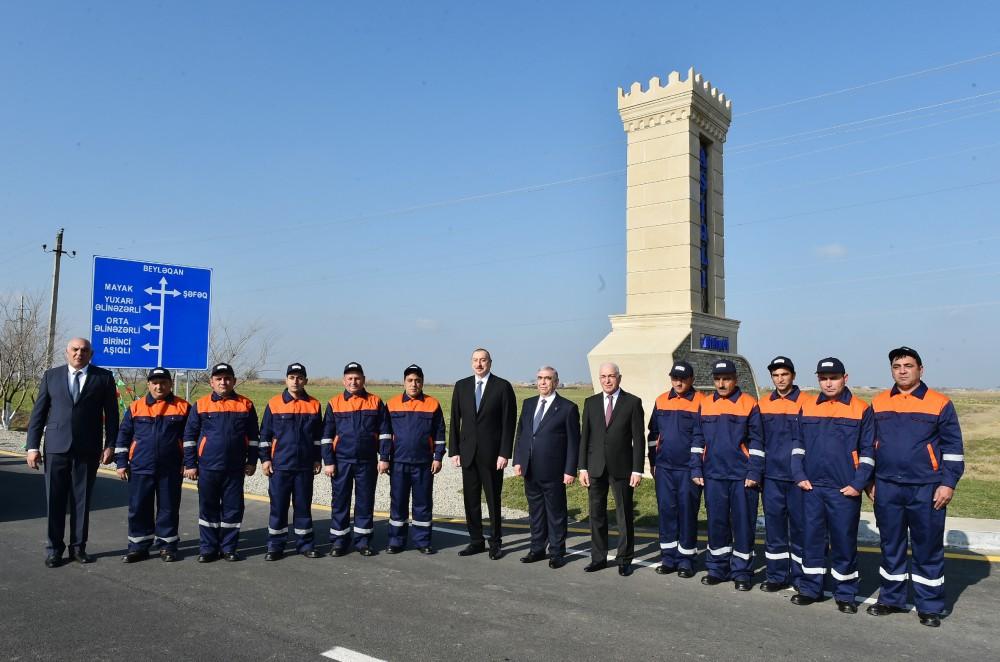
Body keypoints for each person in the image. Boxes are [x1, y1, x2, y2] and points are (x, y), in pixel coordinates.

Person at [866, 347, 964, 628]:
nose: (902, 370)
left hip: (926, 488)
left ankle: (929, 606)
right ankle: (891, 599)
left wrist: (948, 483)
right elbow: (869, 445)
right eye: (897, 366)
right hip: (887, 487)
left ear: (921, 369)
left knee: (927, 547)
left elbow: (953, 449)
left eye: (908, 365)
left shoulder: (939, 403)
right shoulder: (879, 402)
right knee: (891, 545)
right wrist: (870, 481)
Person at [790, 357, 874, 614]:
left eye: (834, 378)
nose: (828, 383)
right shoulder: (807, 406)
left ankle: (845, 593)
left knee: (843, 541)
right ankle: (810, 589)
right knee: (811, 539)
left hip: (843, 489)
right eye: (823, 378)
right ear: (818, 379)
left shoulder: (861, 408)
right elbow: (798, 445)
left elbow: (869, 451)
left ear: (845, 378)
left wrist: (858, 483)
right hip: (812, 487)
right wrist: (798, 474)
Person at [26, 337, 119, 567]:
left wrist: (110, 445)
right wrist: (32, 446)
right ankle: (54, 549)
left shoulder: (104, 378)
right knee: (54, 500)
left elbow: (113, 416)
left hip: (87, 448)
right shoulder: (51, 376)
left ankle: (78, 548)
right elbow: (38, 414)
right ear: (67, 352)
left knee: (82, 500)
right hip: (56, 447)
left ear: (91, 354)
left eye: (84, 350)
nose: (79, 353)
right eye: (75, 350)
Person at [690, 359, 764, 591]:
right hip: (713, 475)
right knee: (717, 524)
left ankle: (741, 572)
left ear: (735, 380)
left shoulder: (748, 404)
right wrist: (695, 467)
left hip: (742, 477)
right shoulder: (705, 404)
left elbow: (757, 442)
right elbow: (697, 439)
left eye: (726, 379)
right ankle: (717, 569)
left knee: (743, 525)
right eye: (718, 379)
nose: (722, 384)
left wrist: (754, 471)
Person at [183, 363, 259, 563]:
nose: (223, 382)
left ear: (233, 381)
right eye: (219, 379)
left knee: (233, 509)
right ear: (212, 382)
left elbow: (253, 438)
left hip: (235, 468)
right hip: (207, 467)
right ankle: (208, 548)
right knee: (208, 508)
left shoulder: (246, 404)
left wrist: (252, 461)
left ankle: (228, 548)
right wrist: (190, 464)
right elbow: (189, 437)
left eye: (227, 378)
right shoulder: (200, 405)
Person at [115, 367, 190, 563]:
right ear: (148, 384)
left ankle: (167, 546)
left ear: (170, 384)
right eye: (155, 382)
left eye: (163, 382)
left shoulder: (183, 407)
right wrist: (122, 463)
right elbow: (123, 437)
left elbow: (190, 439)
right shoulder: (135, 407)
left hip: (171, 468)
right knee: (139, 508)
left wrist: (187, 462)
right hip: (140, 466)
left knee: (168, 508)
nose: (159, 386)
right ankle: (138, 547)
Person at [449, 348, 517, 560]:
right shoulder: (461, 386)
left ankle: (495, 542)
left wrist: (505, 453)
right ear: (471, 363)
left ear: (490, 362)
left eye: (483, 360)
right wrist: (454, 451)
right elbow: (454, 420)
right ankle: (476, 541)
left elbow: (509, 422)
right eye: (476, 360)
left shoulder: (502, 387)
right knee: (471, 500)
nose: (479, 364)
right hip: (468, 453)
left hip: (492, 456)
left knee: (493, 500)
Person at [579, 362, 645, 577]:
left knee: (624, 515)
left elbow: (638, 439)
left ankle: (625, 559)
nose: (607, 380)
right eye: (603, 377)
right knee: (596, 514)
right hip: (595, 467)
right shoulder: (590, 403)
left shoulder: (633, 403)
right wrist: (582, 467)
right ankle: (598, 558)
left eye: (611, 376)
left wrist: (637, 469)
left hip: (622, 468)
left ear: (619, 377)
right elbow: (585, 438)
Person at [512, 366, 580, 569]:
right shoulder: (528, 404)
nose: (543, 382)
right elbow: (522, 434)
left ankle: (557, 552)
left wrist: (570, 470)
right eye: (540, 378)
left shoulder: (567, 408)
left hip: (555, 471)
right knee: (535, 512)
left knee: (556, 513)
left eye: (548, 378)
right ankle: (537, 548)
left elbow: (574, 442)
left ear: (556, 382)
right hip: (530, 469)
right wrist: (518, 460)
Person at [321, 362, 391, 556]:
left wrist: (384, 457)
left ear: (364, 380)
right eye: (350, 378)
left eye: (357, 378)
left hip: (367, 461)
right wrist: (328, 461)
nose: (354, 381)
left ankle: (363, 541)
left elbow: (385, 432)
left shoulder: (376, 402)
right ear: (344, 381)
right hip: (341, 461)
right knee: (340, 501)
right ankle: (339, 542)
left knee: (365, 502)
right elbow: (326, 435)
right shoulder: (334, 403)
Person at [259, 363, 323, 561]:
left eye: (299, 377)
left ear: (305, 380)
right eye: (292, 377)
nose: (296, 381)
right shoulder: (274, 403)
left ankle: (305, 544)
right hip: (280, 466)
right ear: (286, 380)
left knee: (303, 507)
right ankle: (275, 546)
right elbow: (265, 435)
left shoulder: (314, 404)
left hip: (304, 466)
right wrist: (265, 459)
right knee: (278, 507)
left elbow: (317, 437)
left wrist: (316, 458)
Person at [757, 356, 811, 592]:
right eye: (776, 376)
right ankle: (777, 576)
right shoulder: (763, 404)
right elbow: (757, 440)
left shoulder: (808, 402)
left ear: (793, 376)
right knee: (775, 530)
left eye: (784, 375)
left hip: (799, 479)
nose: (780, 379)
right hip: (771, 478)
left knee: (801, 530)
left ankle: (801, 578)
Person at [646, 361, 704, 578]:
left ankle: (686, 559)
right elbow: (653, 435)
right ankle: (668, 557)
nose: (678, 382)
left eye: (683, 379)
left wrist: (697, 467)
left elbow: (703, 437)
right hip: (664, 468)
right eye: (674, 378)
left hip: (689, 469)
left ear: (692, 380)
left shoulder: (701, 402)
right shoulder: (661, 400)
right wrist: (653, 461)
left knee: (687, 513)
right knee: (667, 512)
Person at [384, 364, 446, 555]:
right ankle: (396, 541)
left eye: (417, 381)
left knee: (423, 503)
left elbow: (440, 434)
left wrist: (437, 457)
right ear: (404, 382)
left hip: (424, 463)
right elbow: (385, 434)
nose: (414, 384)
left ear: (422, 382)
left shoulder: (433, 404)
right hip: (398, 463)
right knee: (398, 503)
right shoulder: (392, 404)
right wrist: (384, 457)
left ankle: (422, 541)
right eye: (410, 380)